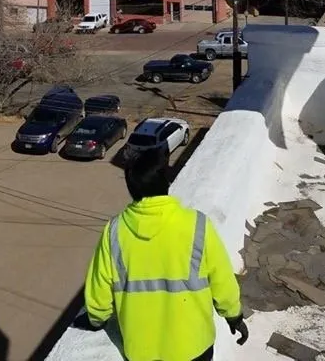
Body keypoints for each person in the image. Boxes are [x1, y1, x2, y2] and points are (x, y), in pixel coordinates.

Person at [82, 147, 248, 361]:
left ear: (132, 188)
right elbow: (222, 281)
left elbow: (98, 293)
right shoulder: (197, 225)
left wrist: (97, 320)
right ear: (165, 184)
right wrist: (233, 316)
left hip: (142, 351)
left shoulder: (114, 231)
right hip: (194, 347)